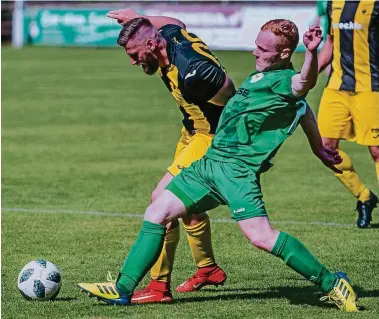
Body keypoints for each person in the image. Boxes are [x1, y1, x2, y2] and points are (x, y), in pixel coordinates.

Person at [78, 19, 359, 312]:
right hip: (209, 164)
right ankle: (122, 288)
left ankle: (331, 282)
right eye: (256, 46)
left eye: (263, 49)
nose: (255, 53)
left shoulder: (285, 81)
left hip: (237, 172)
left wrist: (312, 54)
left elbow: (305, 84)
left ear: (285, 54)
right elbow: (303, 110)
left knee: (261, 237)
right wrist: (318, 148)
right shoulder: (260, 78)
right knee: (157, 210)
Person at [104, 9, 236, 303]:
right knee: (184, 206)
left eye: (134, 53)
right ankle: (208, 269)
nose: (132, 61)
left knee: (160, 200)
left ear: (151, 45)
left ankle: (158, 288)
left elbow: (230, 94)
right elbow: (176, 23)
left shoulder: (191, 71)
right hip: (191, 130)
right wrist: (140, 17)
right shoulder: (168, 36)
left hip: (209, 136)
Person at [317, 0, 379, 228]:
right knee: (325, 147)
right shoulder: (334, 3)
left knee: (376, 150)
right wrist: (309, 76)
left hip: (372, 86)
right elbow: (330, 43)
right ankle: (364, 196)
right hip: (336, 86)